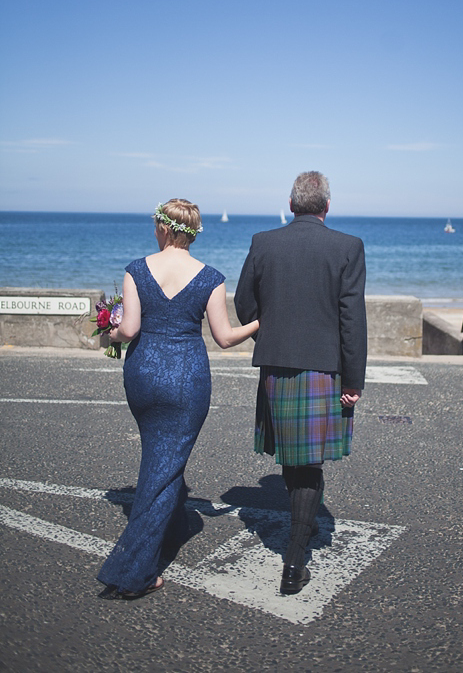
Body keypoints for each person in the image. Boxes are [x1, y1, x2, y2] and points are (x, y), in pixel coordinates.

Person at [98, 198, 259, 599]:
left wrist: (109, 333)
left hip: (143, 374)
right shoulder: (211, 277)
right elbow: (224, 338)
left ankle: (166, 529)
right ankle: (134, 572)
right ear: (192, 232)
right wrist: (261, 322)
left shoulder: (137, 269)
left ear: (164, 228)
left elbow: (130, 328)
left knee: (161, 456)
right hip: (187, 377)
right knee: (166, 465)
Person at [234, 171, 367, 594]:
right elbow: (352, 320)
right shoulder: (348, 246)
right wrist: (353, 378)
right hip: (325, 370)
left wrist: (268, 336)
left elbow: (243, 303)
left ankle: (299, 534)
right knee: (308, 464)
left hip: (277, 367)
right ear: (327, 207)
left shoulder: (263, 242)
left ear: (291, 205)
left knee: (295, 460)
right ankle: (294, 560)